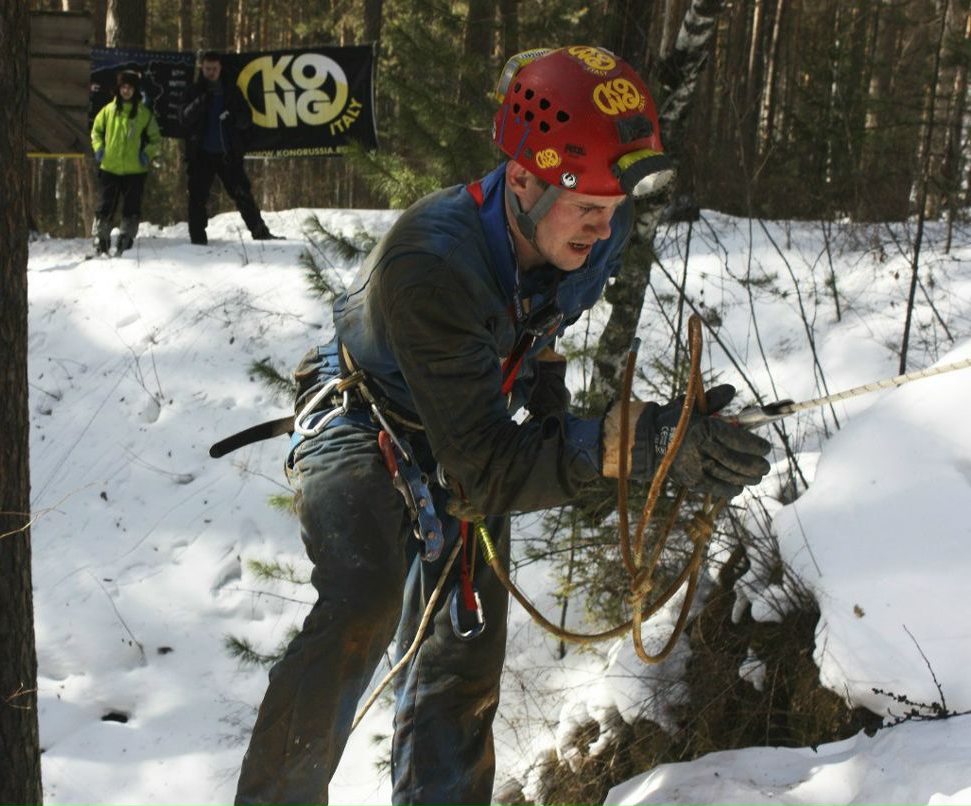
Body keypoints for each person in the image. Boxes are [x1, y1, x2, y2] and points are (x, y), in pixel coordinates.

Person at [231, 46, 772, 806]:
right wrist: (632, 445)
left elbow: (542, 316)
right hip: (364, 413)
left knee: (465, 655)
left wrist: (555, 408)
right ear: (521, 178)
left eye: (613, 207)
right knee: (362, 601)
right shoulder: (431, 262)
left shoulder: (594, 222)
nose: (603, 228)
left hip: (471, 413)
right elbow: (483, 470)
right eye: (586, 208)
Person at [180, 50, 275, 245]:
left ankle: (260, 232)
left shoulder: (231, 90)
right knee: (197, 198)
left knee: (242, 194)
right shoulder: (194, 91)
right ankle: (197, 240)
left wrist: (234, 118)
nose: (211, 73)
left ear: (220, 68)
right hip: (201, 154)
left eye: (214, 69)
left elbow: (247, 118)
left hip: (228, 153)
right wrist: (201, 102)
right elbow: (183, 118)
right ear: (202, 68)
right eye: (208, 69)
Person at [90, 69, 162, 257]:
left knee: (131, 208)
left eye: (130, 87)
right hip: (109, 167)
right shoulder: (108, 111)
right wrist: (99, 148)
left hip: (135, 170)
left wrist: (146, 154)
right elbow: (96, 131)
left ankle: (126, 240)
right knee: (105, 206)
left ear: (135, 90)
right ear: (118, 89)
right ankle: (100, 239)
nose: (126, 91)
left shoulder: (144, 114)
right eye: (123, 87)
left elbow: (155, 139)